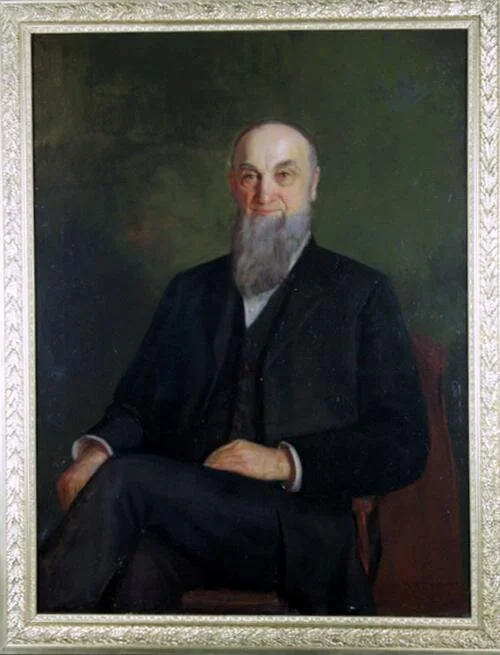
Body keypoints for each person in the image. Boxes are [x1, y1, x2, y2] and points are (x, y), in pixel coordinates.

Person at [38, 120, 429, 615]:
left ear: (312, 184)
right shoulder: (190, 290)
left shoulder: (360, 292)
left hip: (296, 534)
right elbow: (138, 407)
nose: (264, 195)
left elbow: (404, 442)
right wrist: (96, 452)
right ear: (233, 184)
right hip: (191, 523)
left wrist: (284, 462)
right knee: (139, 563)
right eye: (250, 176)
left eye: (283, 175)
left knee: (126, 481)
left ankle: (27, 625)